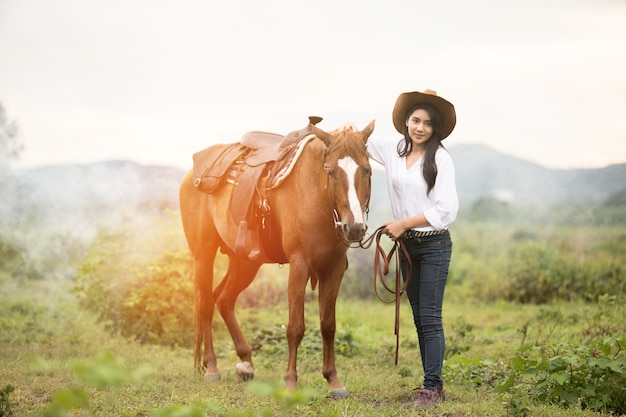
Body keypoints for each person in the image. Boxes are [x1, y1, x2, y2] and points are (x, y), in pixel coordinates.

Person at [367, 89, 459, 409]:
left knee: (430, 317)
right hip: (408, 247)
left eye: (428, 123)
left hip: (433, 244)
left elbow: (447, 209)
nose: (420, 128)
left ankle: (431, 388)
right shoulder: (393, 149)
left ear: (435, 129)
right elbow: (358, 141)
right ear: (406, 121)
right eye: (416, 120)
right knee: (420, 317)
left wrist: (404, 223)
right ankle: (433, 385)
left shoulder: (441, 159)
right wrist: (345, 129)